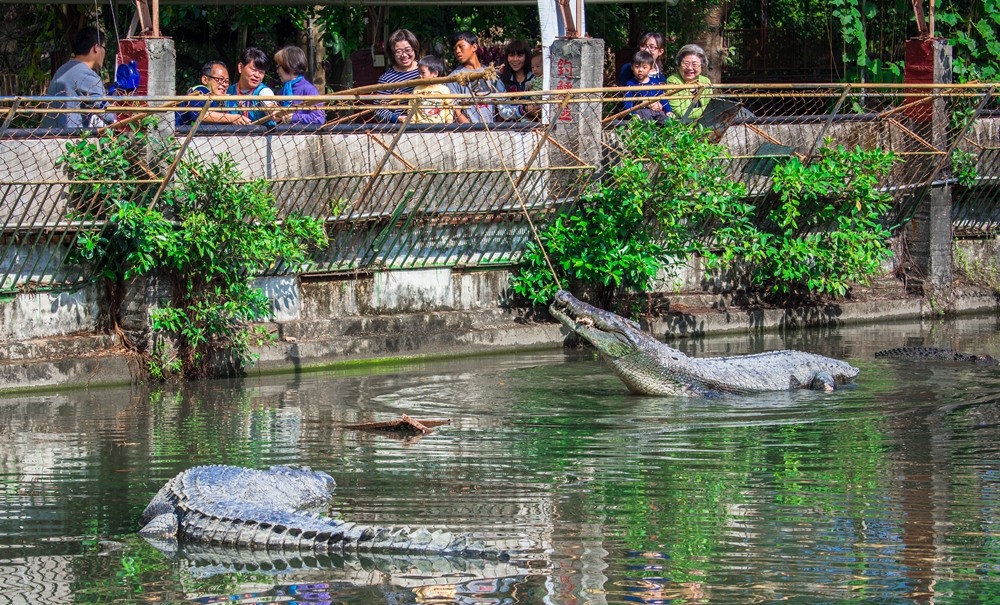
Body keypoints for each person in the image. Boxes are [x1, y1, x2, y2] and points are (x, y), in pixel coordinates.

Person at [42, 27, 112, 130]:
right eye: (104, 48)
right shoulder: (87, 74)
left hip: (47, 134)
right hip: (69, 138)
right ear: (96, 48)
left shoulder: (63, 69)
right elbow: (106, 113)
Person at [446, 31, 503, 124]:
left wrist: (497, 127)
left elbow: (500, 106)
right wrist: (472, 130)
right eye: (455, 48)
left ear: (474, 47)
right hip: (468, 132)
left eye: (461, 46)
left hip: (493, 130)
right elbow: (455, 111)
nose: (457, 51)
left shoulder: (491, 74)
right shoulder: (453, 78)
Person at [176, 61, 250, 127]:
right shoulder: (200, 91)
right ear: (205, 80)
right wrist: (232, 118)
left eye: (227, 81)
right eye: (220, 79)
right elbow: (200, 114)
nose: (224, 84)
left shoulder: (221, 101)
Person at [271, 46, 325, 124]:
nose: (277, 70)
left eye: (278, 66)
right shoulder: (284, 90)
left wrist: (294, 117)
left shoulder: (309, 89)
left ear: (289, 66)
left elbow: (319, 118)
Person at [375, 29, 420, 123]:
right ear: (392, 53)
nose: (404, 55)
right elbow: (378, 110)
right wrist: (398, 118)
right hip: (401, 129)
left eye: (407, 50)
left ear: (414, 49)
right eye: (398, 51)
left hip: (432, 126)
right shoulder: (386, 79)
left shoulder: (427, 70)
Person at [223, 47, 276, 124]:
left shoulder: (263, 91)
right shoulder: (228, 91)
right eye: (253, 70)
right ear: (240, 67)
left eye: (261, 72)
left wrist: (274, 111)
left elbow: (270, 104)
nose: (257, 75)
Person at [666, 44, 713, 120]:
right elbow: (680, 112)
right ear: (679, 64)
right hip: (681, 125)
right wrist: (705, 111)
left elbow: (711, 107)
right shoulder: (672, 81)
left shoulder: (705, 81)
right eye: (686, 63)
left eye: (694, 64)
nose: (690, 68)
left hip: (705, 123)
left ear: (702, 65)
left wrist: (708, 111)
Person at [624, 50, 672, 123]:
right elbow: (627, 102)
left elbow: (662, 97)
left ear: (651, 68)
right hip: (640, 111)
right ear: (632, 67)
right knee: (647, 119)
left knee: (665, 120)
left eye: (644, 67)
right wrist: (633, 114)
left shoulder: (654, 82)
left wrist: (668, 111)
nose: (640, 70)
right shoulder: (631, 84)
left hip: (656, 110)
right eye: (637, 67)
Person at [408, 55, 458, 125]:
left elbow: (448, 108)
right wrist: (412, 122)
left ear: (435, 73)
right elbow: (412, 108)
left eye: (423, 73)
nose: (420, 75)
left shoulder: (444, 90)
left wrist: (449, 121)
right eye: (419, 72)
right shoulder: (417, 89)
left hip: (440, 126)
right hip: (420, 126)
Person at [498, 39, 533, 121]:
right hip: (511, 130)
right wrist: (524, 109)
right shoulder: (503, 81)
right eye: (511, 55)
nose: (515, 59)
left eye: (520, 55)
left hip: (536, 127)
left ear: (526, 56)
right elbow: (503, 111)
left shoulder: (536, 78)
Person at [522, 51, 545, 120]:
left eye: (537, 66)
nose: (535, 69)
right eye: (532, 67)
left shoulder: (546, 78)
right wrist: (528, 85)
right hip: (532, 101)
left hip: (542, 101)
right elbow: (526, 91)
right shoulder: (533, 79)